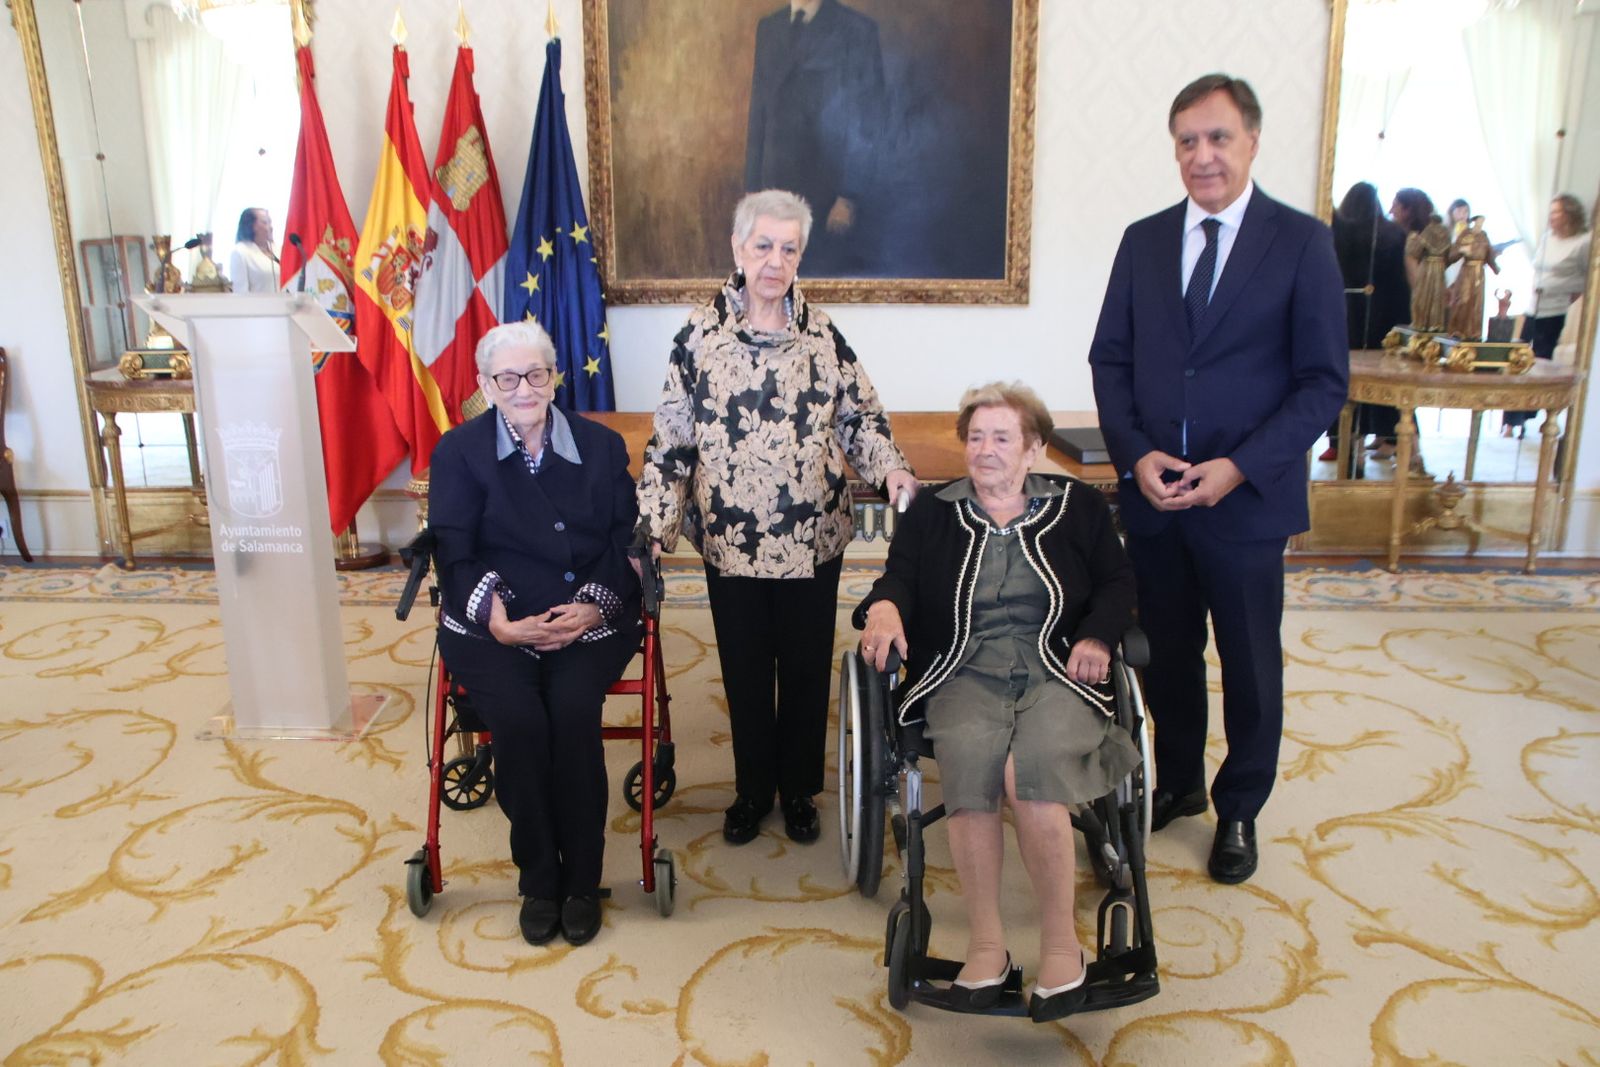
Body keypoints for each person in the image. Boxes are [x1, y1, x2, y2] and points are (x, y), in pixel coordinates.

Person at [1087, 74, 1348, 885]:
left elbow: (1322, 382)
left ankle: (1239, 808)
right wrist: (1135, 456)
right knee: (1166, 654)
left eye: (1218, 138)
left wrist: (1238, 466)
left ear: (1253, 142)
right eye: (1188, 141)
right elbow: (1112, 359)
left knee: (1247, 662)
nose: (1202, 156)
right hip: (1158, 499)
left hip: (1246, 504)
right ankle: (1181, 785)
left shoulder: (1301, 243)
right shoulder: (1143, 240)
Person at [635, 189, 917, 847]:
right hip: (730, 540)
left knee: (805, 663)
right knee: (744, 665)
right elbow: (671, 437)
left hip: (812, 535)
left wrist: (889, 468)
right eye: (763, 245)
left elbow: (860, 419)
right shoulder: (698, 337)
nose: (775, 261)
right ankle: (751, 789)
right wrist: (653, 525)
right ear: (737, 249)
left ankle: (797, 790)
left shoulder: (823, 335)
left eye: (789, 248)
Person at [854, 382, 1140, 1022]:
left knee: (1029, 773)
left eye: (1002, 437)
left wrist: (1096, 634)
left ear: (1034, 449)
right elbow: (896, 574)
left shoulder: (1078, 509)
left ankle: (1062, 946)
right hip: (963, 672)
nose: (985, 450)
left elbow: (1120, 582)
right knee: (975, 771)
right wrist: (888, 605)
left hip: (1056, 671)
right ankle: (987, 943)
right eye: (976, 437)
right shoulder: (932, 512)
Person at [428, 320, 640, 948]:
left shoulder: (600, 448)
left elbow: (626, 540)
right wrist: (496, 618)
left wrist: (595, 608)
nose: (524, 389)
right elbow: (455, 551)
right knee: (519, 721)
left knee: (572, 713)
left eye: (537, 374)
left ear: (554, 377)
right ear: (486, 385)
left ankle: (583, 881)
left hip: (589, 615)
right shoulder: (458, 451)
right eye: (508, 377)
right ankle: (540, 880)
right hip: (493, 621)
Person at [745, 0, 884, 276]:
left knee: (823, 288)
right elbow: (759, 112)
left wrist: (848, 196)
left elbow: (870, 121)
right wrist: (752, 192)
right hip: (774, 190)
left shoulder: (857, 30)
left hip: (828, 197)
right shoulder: (769, 28)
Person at [1322, 181, 1409, 463]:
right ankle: (1393, 439)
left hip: (1348, 311)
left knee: (1345, 381)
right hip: (1387, 315)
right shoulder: (1394, 233)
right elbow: (1401, 283)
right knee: (1387, 382)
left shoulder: (1340, 232)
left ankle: (1343, 443)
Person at [1505, 194, 1591, 436]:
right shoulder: (1547, 239)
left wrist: (1568, 298)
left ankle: (1527, 414)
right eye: (1551, 212)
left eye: (1557, 212)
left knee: (1539, 362)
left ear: (1570, 215)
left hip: (1556, 310)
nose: (1552, 217)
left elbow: (1587, 277)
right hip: (1534, 306)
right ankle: (1511, 419)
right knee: (1517, 360)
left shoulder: (1583, 241)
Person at [1445, 215, 1499, 340]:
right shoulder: (1465, 234)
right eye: (1479, 222)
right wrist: (1462, 251)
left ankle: (1474, 332)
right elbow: (1452, 255)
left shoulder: (1484, 236)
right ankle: (1457, 329)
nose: (1480, 225)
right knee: (1463, 300)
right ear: (1474, 222)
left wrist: (1495, 267)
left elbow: (1489, 254)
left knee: (1477, 302)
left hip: (1479, 273)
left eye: (1482, 222)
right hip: (1466, 271)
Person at [228, 208, 279, 293]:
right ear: (251, 225)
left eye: (270, 222)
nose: (271, 227)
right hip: (257, 305)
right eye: (265, 222)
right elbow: (241, 293)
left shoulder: (278, 249)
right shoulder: (240, 252)